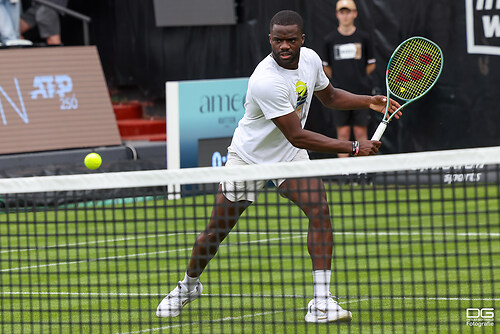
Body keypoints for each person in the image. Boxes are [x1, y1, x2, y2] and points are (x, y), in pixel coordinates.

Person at [156, 10, 401, 323]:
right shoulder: (266, 81)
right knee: (216, 232)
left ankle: (322, 302)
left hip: (287, 156)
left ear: (302, 39)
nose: (284, 45)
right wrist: (353, 146)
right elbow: (298, 135)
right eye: (277, 40)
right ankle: (188, 286)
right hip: (249, 159)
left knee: (320, 210)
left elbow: (329, 97)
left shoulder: (311, 60)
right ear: (269, 40)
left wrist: (368, 100)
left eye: (290, 39)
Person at [323, 0, 377, 158]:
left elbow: (371, 65)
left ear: (355, 14)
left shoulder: (364, 38)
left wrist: (358, 78)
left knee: (361, 132)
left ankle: (362, 173)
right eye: (342, 12)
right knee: (343, 133)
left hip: (361, 94)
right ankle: (344, 174)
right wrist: (340, 81)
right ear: (337, 15)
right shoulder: (329, 40)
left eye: (348, 12)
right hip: (338, 95)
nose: (345, 15)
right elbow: (326, 67)